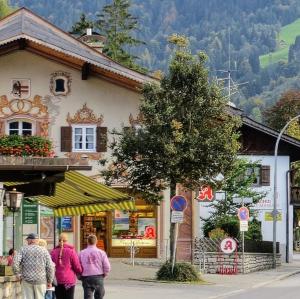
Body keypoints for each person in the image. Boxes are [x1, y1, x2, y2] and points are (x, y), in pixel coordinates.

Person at [13, 233, 54, 299]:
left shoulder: (23, 249)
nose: (27, 242)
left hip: (26, 281)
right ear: (36, 240)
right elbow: (50, 267)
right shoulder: (44, 250)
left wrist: (18, 275)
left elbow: (15, 263)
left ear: (30, 240)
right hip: (40, 281)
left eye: (27, 240)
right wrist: (49, 281)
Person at [79, 234, 111, 299]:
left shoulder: (81, 253)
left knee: (87, 296)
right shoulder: (101, 252)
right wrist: (105, 273)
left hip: (86, 276)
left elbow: (78, 266)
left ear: (87, 242)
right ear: (96, 242)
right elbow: (107, 266)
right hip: (98, 276)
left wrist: (79, 275)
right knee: (99, 295)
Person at [51, 233, 82, 299]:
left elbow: (50, 266)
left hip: (57, 280)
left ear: (59, 240)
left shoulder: (53, 252)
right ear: (67, 240)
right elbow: (76, 266)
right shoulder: (71, 251)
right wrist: (80, 272)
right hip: (69, 281)